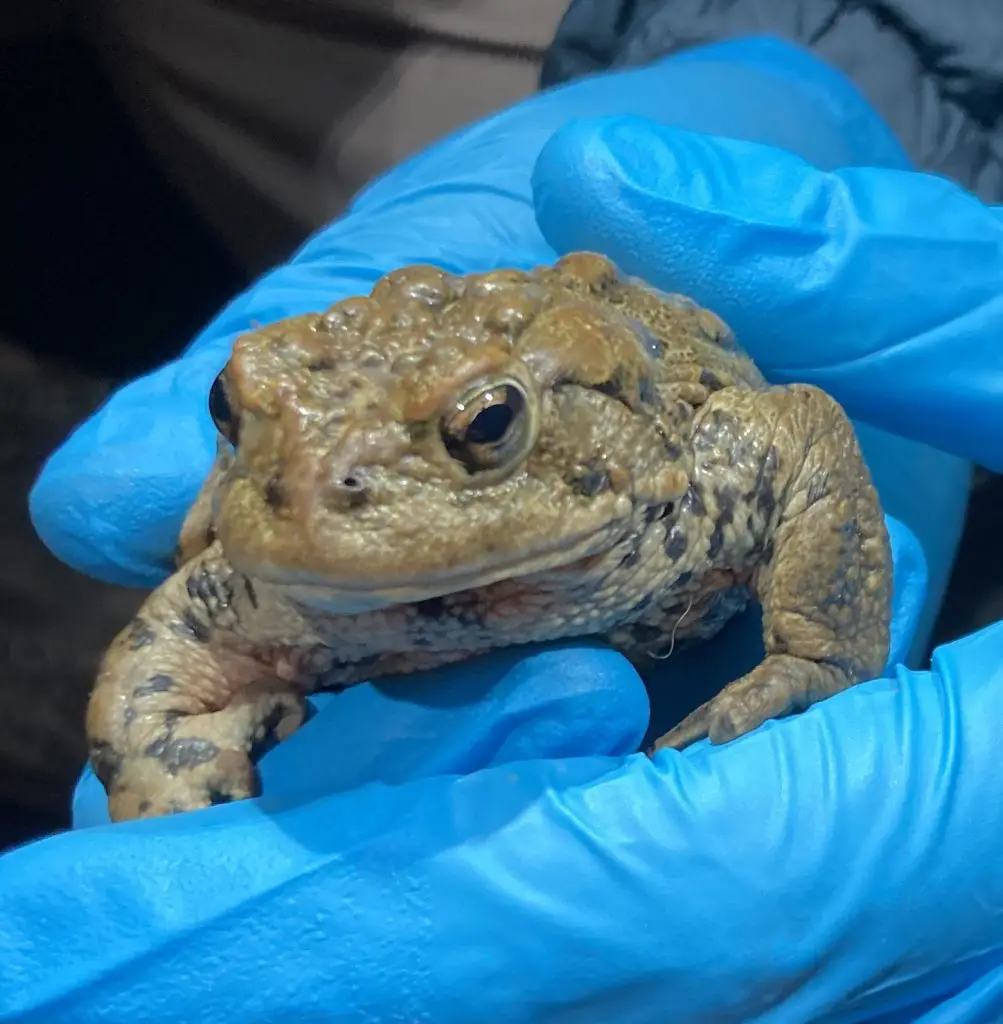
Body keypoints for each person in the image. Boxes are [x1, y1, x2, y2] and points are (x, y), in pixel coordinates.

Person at [3, 31, 1003, 1024]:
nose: (327, 494)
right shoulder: (269, 564)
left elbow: (796, 429)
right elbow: (167, 673)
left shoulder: (692, 481)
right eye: (237, 418)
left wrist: (819, 651)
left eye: (481, 430)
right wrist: (180, 801)